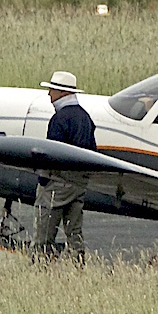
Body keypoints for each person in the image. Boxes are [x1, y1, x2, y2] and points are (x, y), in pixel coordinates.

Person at [34, 70, 97, 262]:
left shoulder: (60, 119)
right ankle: (78, 267)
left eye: (52, 90)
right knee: (74, 232)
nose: (49, 95)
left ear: (62, 93)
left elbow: (53, 153)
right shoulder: (85, 118)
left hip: (58, 183)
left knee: (44, 232)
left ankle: (39, 268)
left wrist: (43, 180)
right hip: (79, 184)